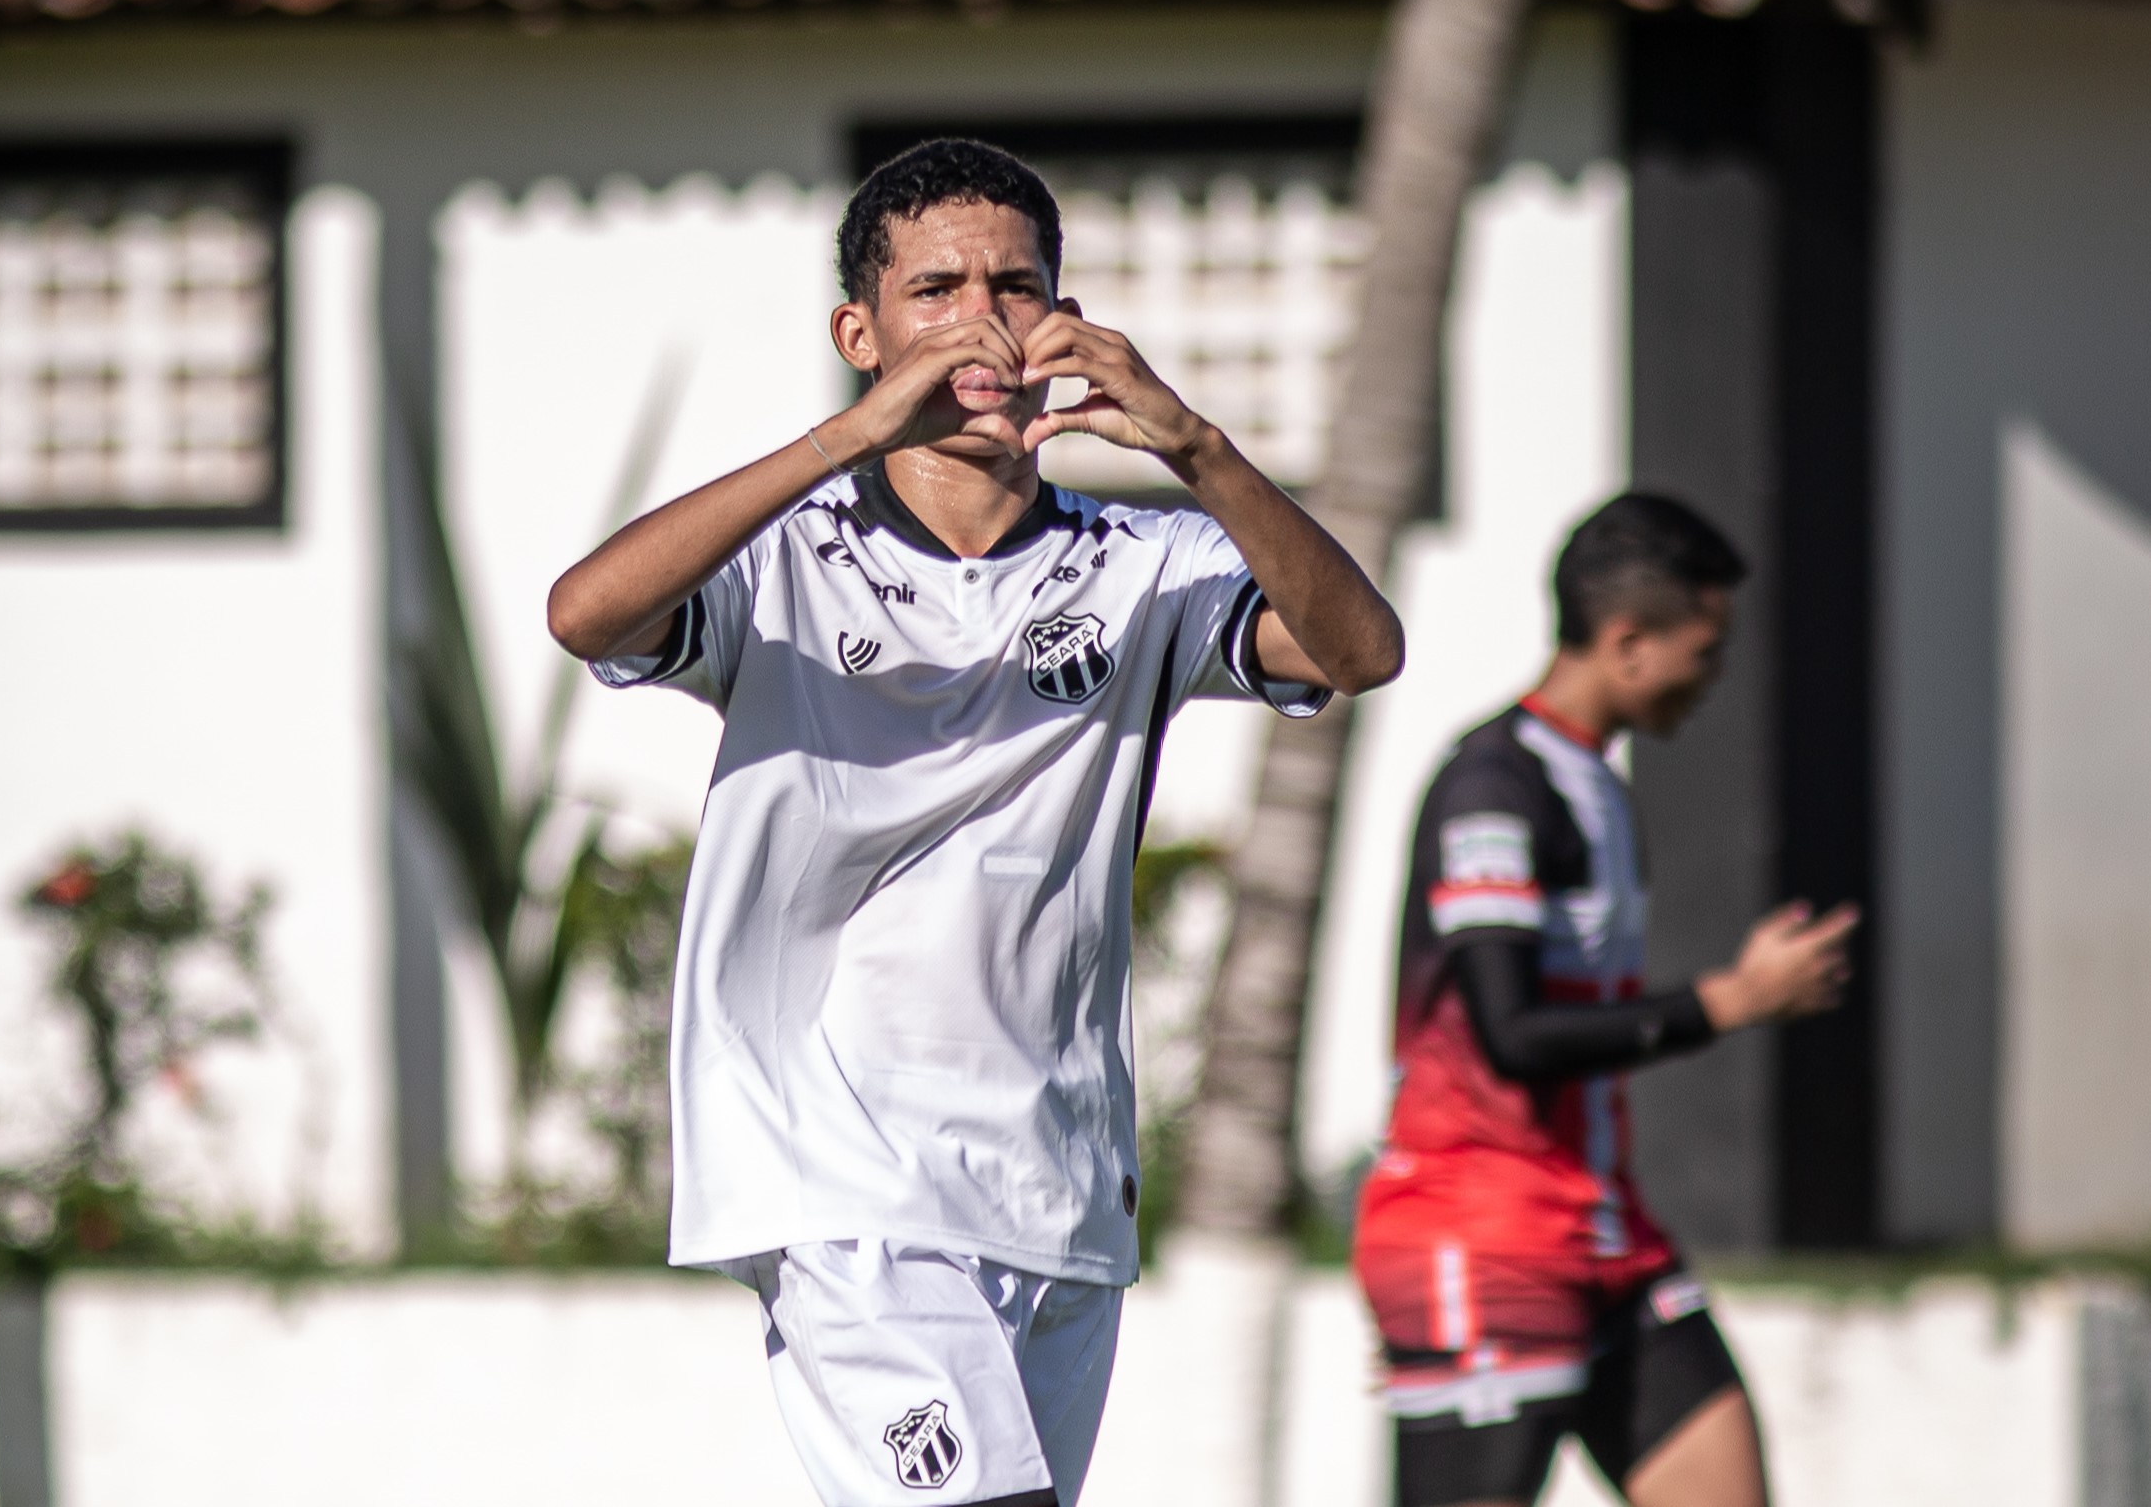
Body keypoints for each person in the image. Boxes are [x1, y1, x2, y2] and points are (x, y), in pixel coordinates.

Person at [548, 138, 1403, 1507]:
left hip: (1058, 1182)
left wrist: (1197, 448)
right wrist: (847, 435)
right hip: (840, 1176)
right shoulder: (779, 555)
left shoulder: (1143, 559)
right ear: (860, 330)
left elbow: (1355, 650)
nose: (977, 320)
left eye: (1013, 285)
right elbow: (585, 612)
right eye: (932, 288)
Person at [1352, 492, 1858, 1507]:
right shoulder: (1493, 787)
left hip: (1603, 1226)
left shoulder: (1597, 784)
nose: (1712, 678)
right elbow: (1511, 1038)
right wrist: (1730, 999)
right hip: (1478, 1232)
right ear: (1628, 642)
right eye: (1703, 650)